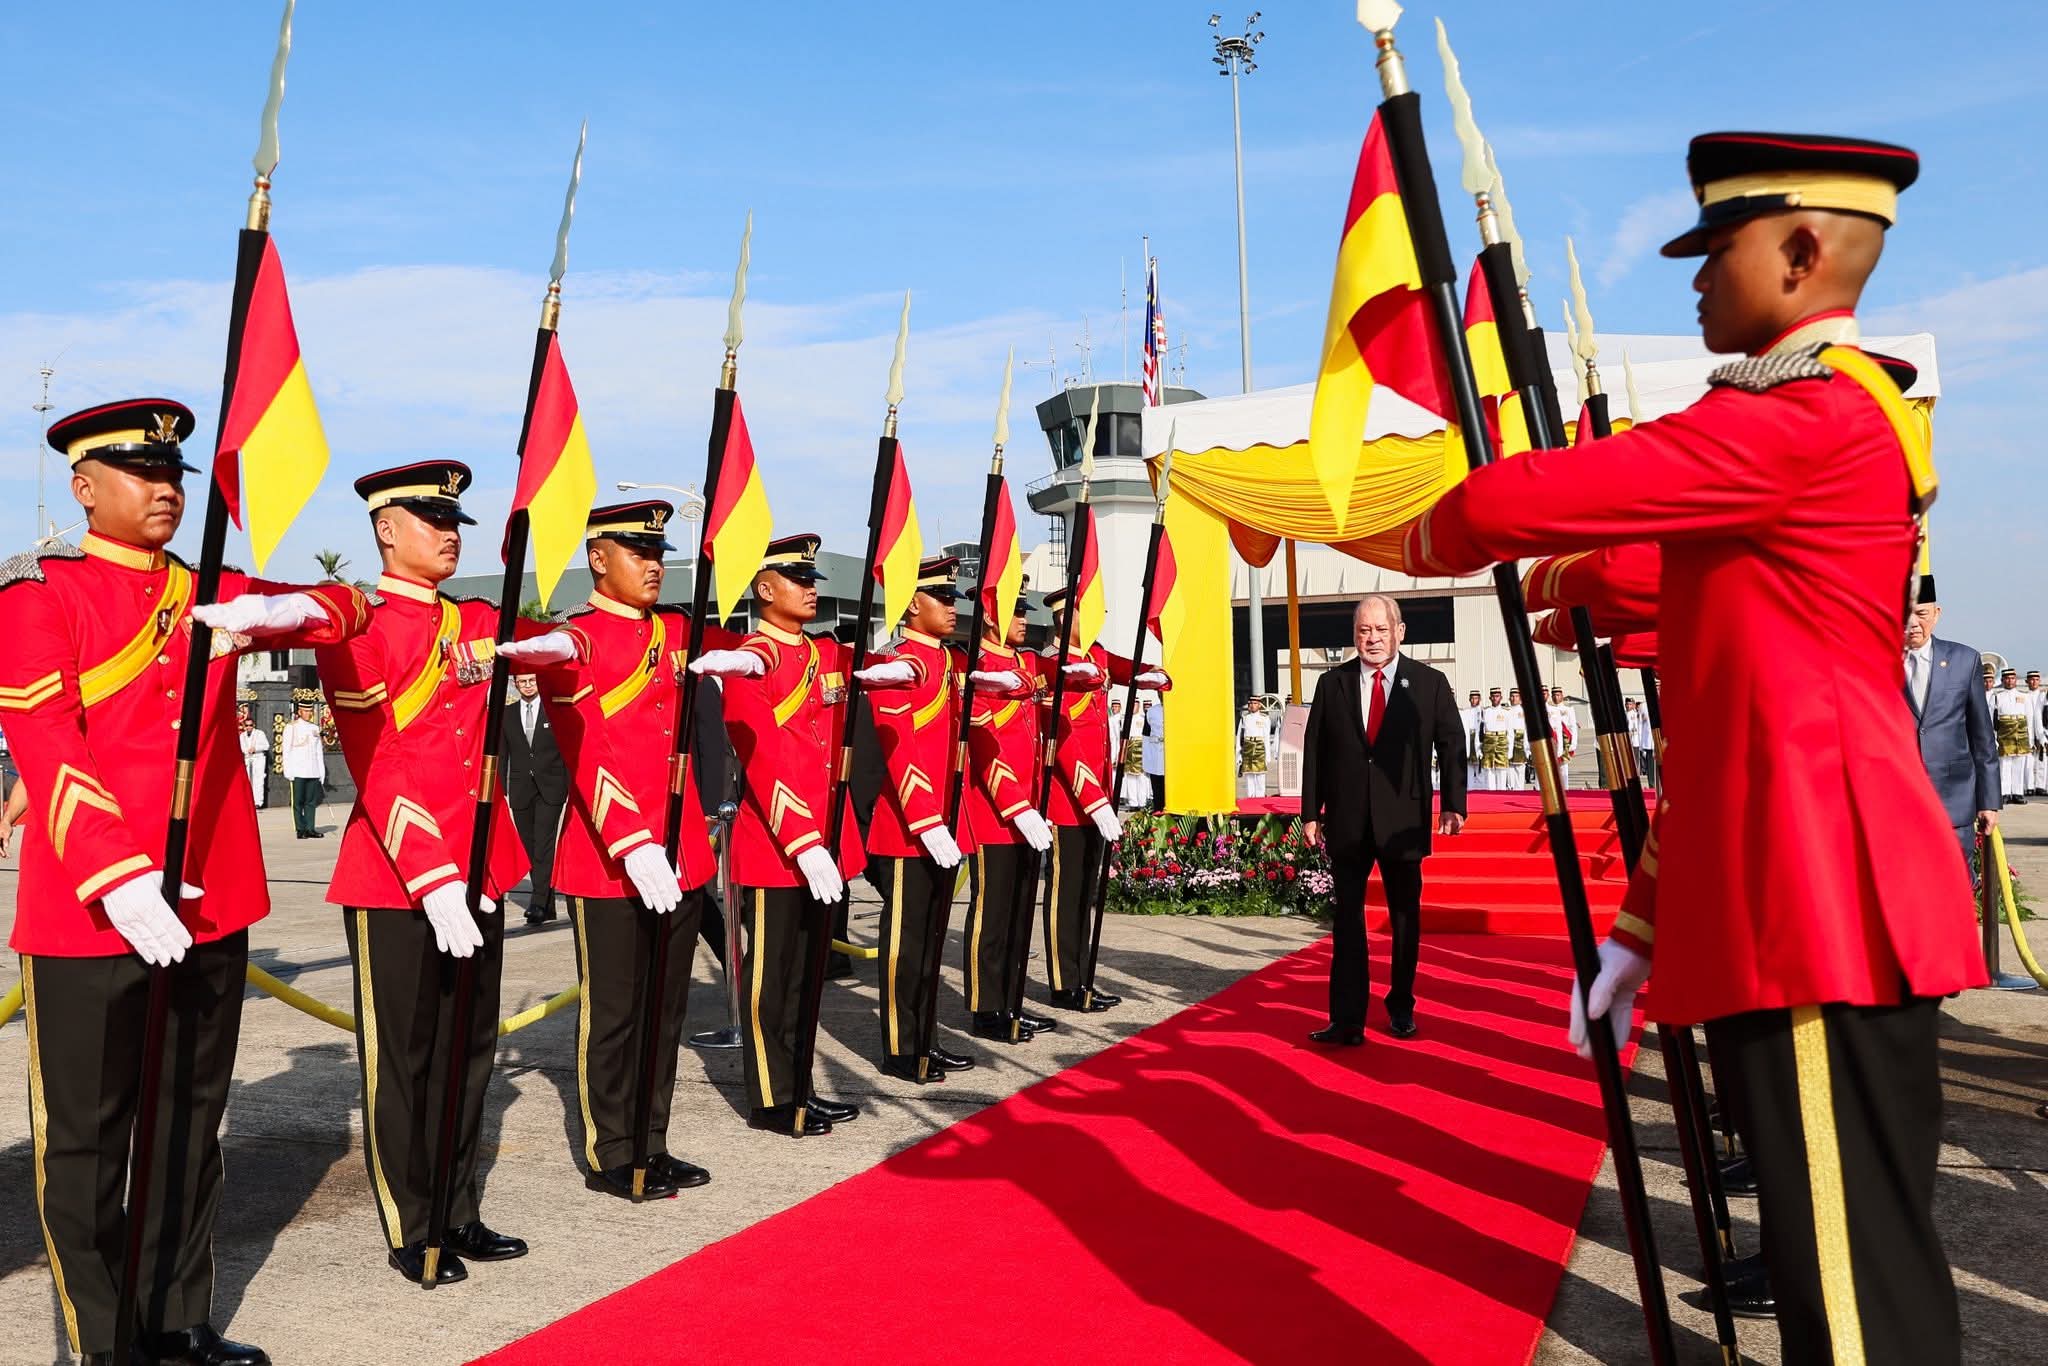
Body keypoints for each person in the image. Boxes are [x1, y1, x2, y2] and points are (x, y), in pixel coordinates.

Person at [1405, 131, 1985, 1364]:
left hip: (1819, 906)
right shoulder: (1809, 433)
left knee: (1854, 1305)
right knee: (1847, 1274)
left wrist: (1410, 529)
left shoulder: (1802, 416)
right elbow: (1715, 701)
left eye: (1715, 249)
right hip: (1800, 894)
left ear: (1800, 250)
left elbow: (1536, 501)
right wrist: (1640, 928)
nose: (1695, 277)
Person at [0, 397, 367, 1365]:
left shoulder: (214, 589)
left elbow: (352, 607)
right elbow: (44, 738)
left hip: (209, 898)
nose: (165, 488)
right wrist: (118, 874)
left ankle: (175, 1315)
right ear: (84, 487)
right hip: (93, 908)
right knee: (87, 1142)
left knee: (189, 1122)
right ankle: (102, 1338)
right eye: (141, 472)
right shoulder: (40, 591)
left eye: (173, 474)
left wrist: (285, 611)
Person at [318, 460, 556, 1285]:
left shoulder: (479, 619)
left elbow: (555, 655)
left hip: (481, 868)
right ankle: (411, 1224)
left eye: (456, 522)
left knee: (469, 1051)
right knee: (406, 1061)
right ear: (387, 530)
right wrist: (430, 872)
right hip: (397, 874)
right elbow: (376, 760)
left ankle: (458, 1210)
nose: (451, 535)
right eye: (433, 521)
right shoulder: (361, 629)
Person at [537, 500, 731, 1199]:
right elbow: (585, 751)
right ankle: (612, 1151)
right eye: (638, 553)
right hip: (609, 858)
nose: (654, 565)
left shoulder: (677, 632)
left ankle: (653, 1140)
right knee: (615, 1015)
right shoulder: (575, 641)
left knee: (664, 1011)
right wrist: (632, 839)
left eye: (658, 554)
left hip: (680, 853)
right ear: (598, 558)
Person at [689, 533, 864, 1136]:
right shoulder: (749, 661)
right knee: (772, 979)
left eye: (813, 579)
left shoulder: (819, 654)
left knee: (807, 979)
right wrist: (803, 839)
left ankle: (801, 1088)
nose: (812, 589)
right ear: (765, 588)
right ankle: (771, 1098)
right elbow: (763, 760)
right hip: (776, 846)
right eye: (799, 579)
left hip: (821, 841)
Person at [1300, 594, 1465, 1044]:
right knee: (1347, 920)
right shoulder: (1332, 683)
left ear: (1399, 632)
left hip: (1403, 819)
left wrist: (1453, 802)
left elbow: (1452, 743)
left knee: (1404, 917)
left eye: (1380, 629)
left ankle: (1401, 1006)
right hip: (1348, 819)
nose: (1372, 639)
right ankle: (1347, 1019)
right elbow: (1315, 750)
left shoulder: (1429, 683)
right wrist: (1311, 812)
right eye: (1363, 631)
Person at [855, 555, 977, 1083]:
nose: (952, 607)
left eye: (953, 598)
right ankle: (902, 1048)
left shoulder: (948, 659)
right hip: (907, 829)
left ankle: (927, 1039)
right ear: (910, 604)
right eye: (941, 598)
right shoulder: (898, 662)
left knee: (929, 944)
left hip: (944, 824)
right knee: (905, 947)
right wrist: (927, 819)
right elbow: (899, 750)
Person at [1038, 585, 1170, 1012]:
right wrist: (1092, 797)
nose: (1096, 621)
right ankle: (1064, 982)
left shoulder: (1096, 655)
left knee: (1086, 892)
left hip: (1100, 798)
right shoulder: (1049, 664)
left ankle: (1083, 979)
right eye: (1087, 613)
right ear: (1065, 618)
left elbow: (1130, 668)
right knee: (1065, 892)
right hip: (1068, 799)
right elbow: (1062, 741)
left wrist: (1155, 673)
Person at [960, 599, 1056, 1042]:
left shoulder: (1026, 662)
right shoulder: (978, 668)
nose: (1024, 620)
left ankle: (1012, 1001)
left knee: (1018, 915)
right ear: (990, 615)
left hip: (1029, 810)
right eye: (1015, 612)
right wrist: (1016, 805)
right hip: (995, 814)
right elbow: (984, 748)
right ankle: (986, 1007)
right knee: (992, 915)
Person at [1902, 576, 1999, 875]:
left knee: (1956, 885)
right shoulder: (1875, 662)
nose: (1913, 623)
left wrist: (1988, 801)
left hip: (1953, 803)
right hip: (1897, 802)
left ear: (1937, 613)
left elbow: (1982, 738)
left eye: (1921, 613)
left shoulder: (1963, 660)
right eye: (1905, 614)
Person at [504, 670, 568, 923]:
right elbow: (503, 753)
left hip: (550, 787)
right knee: (529, 846)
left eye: (532, 681)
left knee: (543, 843)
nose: (528, 686)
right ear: (516, 684)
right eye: (523, 682)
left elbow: (566, 749)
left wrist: (568, 783)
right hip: (521, 789)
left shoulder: (553, 709)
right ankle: (547, 902)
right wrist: (500, 790)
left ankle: (538, 902)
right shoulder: (508, 714)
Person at [279, 696, 325, 838]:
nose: (308, 713)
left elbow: (318, 752)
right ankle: (300, 829)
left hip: (313, 770)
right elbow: (286, 750)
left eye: (310, 710)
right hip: (298, 770)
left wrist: (321, 771)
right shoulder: (291, 727)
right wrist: (288, 770)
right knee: (298, 802)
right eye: (305, 711)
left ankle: (310, 828)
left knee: (311, 802)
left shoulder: (315, 728)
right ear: (299, 711)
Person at [1990, 668, 2030, 805]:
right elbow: (1992, 718)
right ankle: (2004, 793)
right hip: (2004, 732)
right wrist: (1993, 736)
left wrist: (2031, 737)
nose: (2010, 681)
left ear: (2016, 680)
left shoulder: (2024, 696)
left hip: (2021, 731)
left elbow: (2029, 717)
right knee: (2004, 764)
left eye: (2012, 678)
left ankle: (2017, 793)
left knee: (2019, 763)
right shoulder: (1997, 696)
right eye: (2007, 678)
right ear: (2002, 680)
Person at [1477, 687, 1514, 791]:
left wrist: (1510, 750)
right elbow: (1481, 731)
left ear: (1501, 698)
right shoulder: (1485, 711)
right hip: (1488, 741)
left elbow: (1510, 732)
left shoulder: (1506, 712)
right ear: (1490, 698)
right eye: (1493, 696)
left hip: (1501, 741)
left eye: (1497, 696)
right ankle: (1491, 792)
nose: (1495, 698)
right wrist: (1479, 747)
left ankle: (1501, 792)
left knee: (1501, 770)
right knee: (1489, 770)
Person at [1238, 695, 1274, 799]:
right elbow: (1240, 736)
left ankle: (1260, 797)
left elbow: (1266, 737)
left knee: (1260, 775)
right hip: (1248, 746)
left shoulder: (1264, 718)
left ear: (1259, 705)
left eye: (1255, 703)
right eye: (1251, 703)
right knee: (1249, 775)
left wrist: (1268, 755)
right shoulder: (1245, 718)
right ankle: (1250, 797)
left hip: (1259, 746)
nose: (1252, 706)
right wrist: (1238, 754)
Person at [238, 704, 270, 808]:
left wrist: (255, 749)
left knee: (258, 780)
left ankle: (258, 801)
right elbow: (241, 747)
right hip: (247, 758)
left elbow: (266, 746)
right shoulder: (242, 736)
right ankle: (248, 800)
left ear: (254, 725)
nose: (249, 727)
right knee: (247, 780)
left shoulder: (260, 733)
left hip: (258, 758)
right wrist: (246, 751)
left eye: (250, 725)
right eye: (247, 725)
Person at [1546, 686, 1578, 791]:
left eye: (1558, 695)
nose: (1556, 697)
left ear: (1562, 696)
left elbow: (1573, 726)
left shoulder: (1568, 709)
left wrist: (1574, 743)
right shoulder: (1549, 709)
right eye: (1554, 695)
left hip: (1565, 740)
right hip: (1554, 739)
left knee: (1563, 767)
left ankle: (1565, 788)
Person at [1140, 693, 1166, 809]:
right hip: (1156, 755)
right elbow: (1146, 738)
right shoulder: (1151, 711)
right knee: (1157, 789)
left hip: (1174, 756)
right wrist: (1147, 761)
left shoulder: (1179, 709)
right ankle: (1158, 813)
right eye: (1160, 693)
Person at [2027, 669, 2046, 795]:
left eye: (2036, 680)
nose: (2034, 682)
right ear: (2027, 681)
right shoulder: (2024, 696)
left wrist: (2042, 734)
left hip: (2042, 732)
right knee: (2028, 761)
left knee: (2042, 759)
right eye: (2031, 680)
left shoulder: (2043, 696)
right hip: (2028, 731)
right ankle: (2028, 786)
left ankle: (2040, 786)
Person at [1460, 689, 1483, 790]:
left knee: (1480, 771)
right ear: (1469, 699)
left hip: (1479, 741)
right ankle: (1469, 790)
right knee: (1469, 769)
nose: (1474, 701)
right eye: (1472, 698)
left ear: (1479, 699)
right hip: (1469, 739)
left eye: (1476, 698)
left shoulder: (1483, 711)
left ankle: (1481, 791)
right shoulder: (1466, 712)